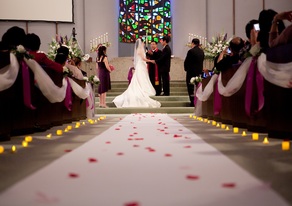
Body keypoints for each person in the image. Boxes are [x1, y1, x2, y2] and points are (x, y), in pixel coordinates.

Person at [112, 39, 161, 108]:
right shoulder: (140, 50)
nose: (144, 44)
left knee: (141, 78)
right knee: (141, 77)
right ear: (141, 43)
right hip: (141, 65)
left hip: (141, 65)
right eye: (143, 43)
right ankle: (143, 89)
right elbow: (143, 59)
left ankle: (142, 88)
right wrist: (151, 61)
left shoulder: (139, 49)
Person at [184, 38, 205, 106]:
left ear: (193, 43)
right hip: (199, 72)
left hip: (191, 72)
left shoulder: (191, 51)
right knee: (198, 87)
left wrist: (186, 69)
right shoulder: (202, 52)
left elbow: (187, 62)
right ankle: (198, 101)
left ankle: (192, 101)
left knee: (191, 87)